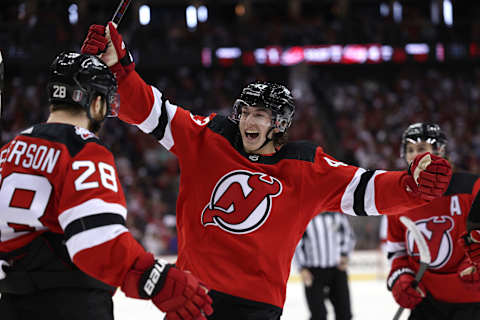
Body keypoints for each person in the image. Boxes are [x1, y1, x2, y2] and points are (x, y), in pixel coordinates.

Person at [81, 22, 452, 320]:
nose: (248, 121)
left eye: (260, 114)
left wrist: (413, 186)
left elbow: (367, 189)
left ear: (279, 124)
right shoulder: (208, 137)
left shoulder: (306, 167)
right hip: (193, 297)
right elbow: (150, 109)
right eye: (245, 112)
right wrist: (120, 67)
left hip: (255, 307)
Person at [0, 51, 212, 320]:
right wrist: (157, 279)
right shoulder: (83, 150)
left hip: (11, 304)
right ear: (97, 102)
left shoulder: (8, 151)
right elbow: (95, 239)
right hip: (70, 305)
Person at [385, 123, 480, 320]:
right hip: (427, 303)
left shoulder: (472, 187)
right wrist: (400, 278)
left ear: (440, 151)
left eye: (421, 149)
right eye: (410, 150)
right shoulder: (397, 195)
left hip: (473, 302)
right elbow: (397, 251)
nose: (414, 155)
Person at [294, 212, 356, 320]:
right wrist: (302, 268)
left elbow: (349, 236)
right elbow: (296, 243)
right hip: (313, 272)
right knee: (318, 314)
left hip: (337, 270)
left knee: (344, 313)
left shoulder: (338, 215)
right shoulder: (306, 216)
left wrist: (345, 254)